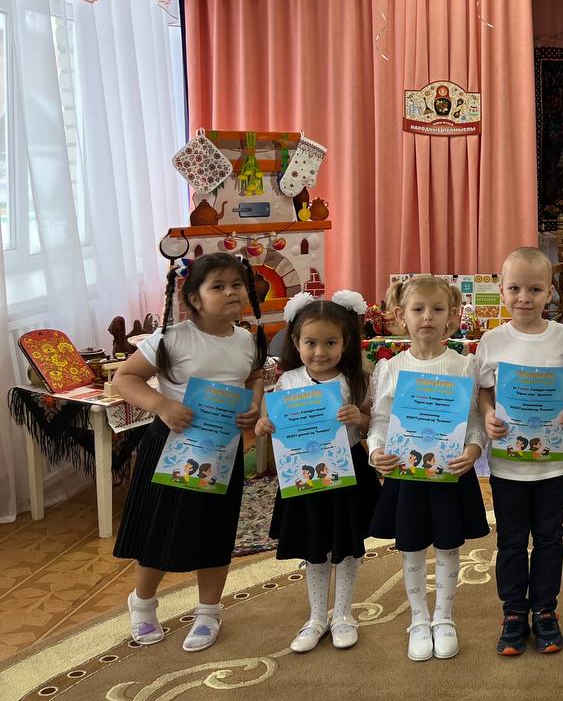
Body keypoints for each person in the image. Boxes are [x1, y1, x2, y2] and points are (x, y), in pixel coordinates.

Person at [112, 253, 267, 651]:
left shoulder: (247, 339)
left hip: (222, 452)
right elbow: (125, 378)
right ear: (195, 299)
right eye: (218, 286)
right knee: (159, 528)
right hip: (172, 448)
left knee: (215, 530)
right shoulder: (171, 338)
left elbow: (254, 376)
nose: (231, 292)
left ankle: (209, 611)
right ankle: (143, 604)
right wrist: (162, 405)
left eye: (236, 284)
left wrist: (254, 403)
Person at [368, 276, 488, 661]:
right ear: (400, 316)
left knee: (449, 544)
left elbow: (474, 420)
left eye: (437, 310)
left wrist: (474, 448)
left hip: (451, 474)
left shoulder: (464, 365)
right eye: (418, 309)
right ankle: (419, 618)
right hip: (407, 476)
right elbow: (379, 422)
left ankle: (444, 617)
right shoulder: (390, 369)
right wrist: (375, 451)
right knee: (413, 546)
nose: (427, 317)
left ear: (452, 316)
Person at [256, 291, 380, 653]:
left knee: (347, 546)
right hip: (304, 477)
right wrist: (265, 425)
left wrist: (360, 418)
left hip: (347, 473)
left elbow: (374, 425)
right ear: (296, 342)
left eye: (330, 342)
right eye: (310, 343)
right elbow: (274, 423)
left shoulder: (355, 380)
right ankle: (316, 617)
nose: (320, 352)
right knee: (314, 546)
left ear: (345, 342)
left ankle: (343, 614)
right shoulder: (288, 381)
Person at [476, 247, 563, 656]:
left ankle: (545, 610)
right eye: (515, 288)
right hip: (508, 465)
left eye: (535, 289)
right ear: (502, 290)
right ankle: (514, 612)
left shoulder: (562, 336)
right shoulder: (491, 341)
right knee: (511, 540)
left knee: (551, 538)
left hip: (554, 464)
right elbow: (484, 392)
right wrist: (488, 415)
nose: (524, 298)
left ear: (549, 292)